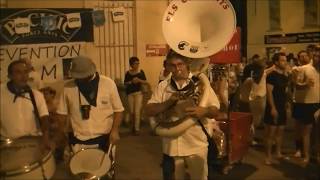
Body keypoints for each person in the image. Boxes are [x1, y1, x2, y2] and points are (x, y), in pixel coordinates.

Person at [145, 50, 220, 180]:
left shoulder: (201, 84)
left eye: (180, 64)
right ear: (167, 66)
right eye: (172, 65)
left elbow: (215, 110)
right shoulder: (163, 86)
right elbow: (149, 110)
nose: (177, 69)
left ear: (186, 64)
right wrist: (170, 102)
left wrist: (204, 111)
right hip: (170, 147)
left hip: (195, 145)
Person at [57, 56, 124, 153]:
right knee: (79, 168)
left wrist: (115, 130)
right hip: (78, 141)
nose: (81, 79)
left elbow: (118, 110)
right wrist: (62, 133)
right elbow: (61, 113)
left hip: (104, 139)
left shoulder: (108, 84)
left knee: (104, 167)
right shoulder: (68, 87)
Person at [0, 60, 51, 148]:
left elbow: (44, 117)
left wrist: (46, 136)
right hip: (7, 145)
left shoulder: (36, 95)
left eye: (26, 72)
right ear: (10, 76)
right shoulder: (1, 92)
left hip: (32, 143)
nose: (23, 76)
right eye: (18, 72)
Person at [292, 49, 320, 166]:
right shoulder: (304, 69)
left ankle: (317, 154)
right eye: (316, 55)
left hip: (318, 103)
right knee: (306, 131)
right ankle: (306, 155)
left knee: (317, 131)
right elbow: (297, 86)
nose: (318, 58)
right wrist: (305, 85)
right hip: (306, 104)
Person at [263, 52, 289, 165]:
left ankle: (278, 152)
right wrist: (273, 108)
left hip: (282, 106)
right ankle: (268, 156)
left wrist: (287, 104)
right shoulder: (272, 75)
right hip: (273, 106)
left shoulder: (285, 75)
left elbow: (285, 91)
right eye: (282, 60)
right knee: (270, 133)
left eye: (285, 60)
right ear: (276, 62)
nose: (285, 62)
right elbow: (269, 92)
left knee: (280, 131)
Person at [124, 56, 147, 135]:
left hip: (138, 93)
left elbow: (145, 81)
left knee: (137, 111)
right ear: (131, 64)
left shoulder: (141, 72)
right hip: (130, 93)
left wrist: (139, 80)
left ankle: (137, 128)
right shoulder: (127, 73)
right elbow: (125, 83)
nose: (137, 65)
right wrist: (131, 82)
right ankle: (133, 127)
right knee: (132, 112)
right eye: (135, 63)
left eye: (138, 63)